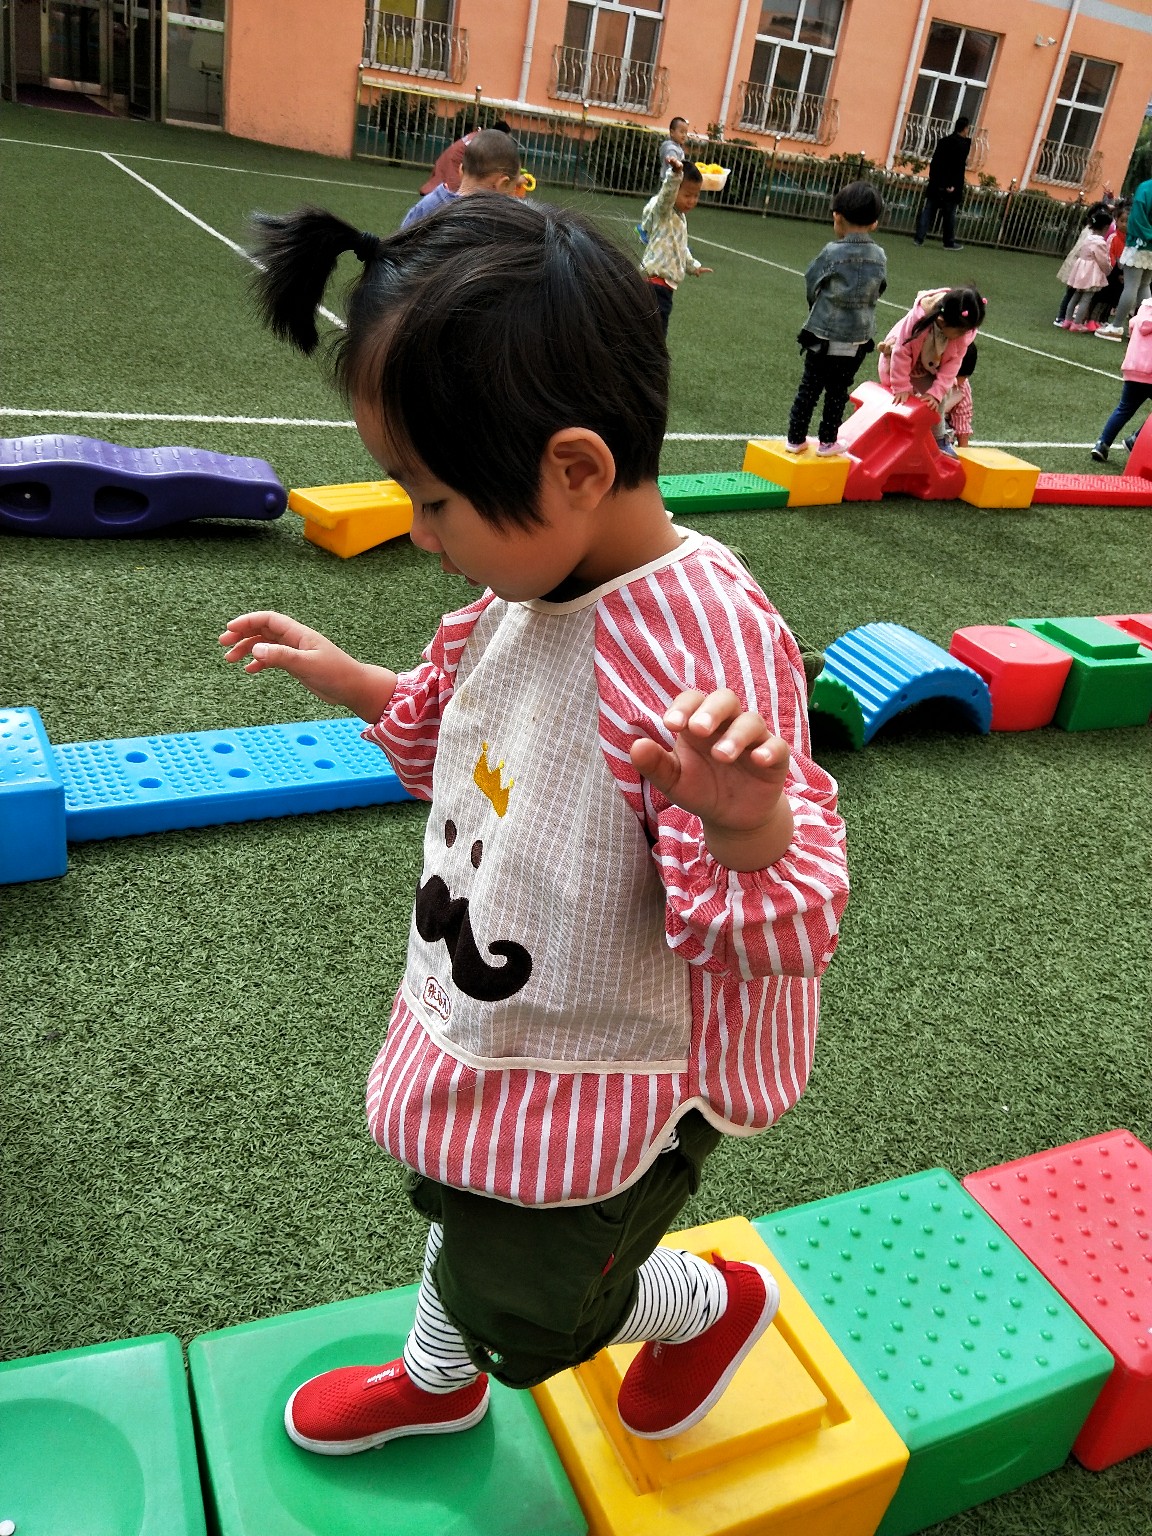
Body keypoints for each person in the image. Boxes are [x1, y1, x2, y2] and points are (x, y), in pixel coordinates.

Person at [223, 195, 849, 1457]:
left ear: (574, 469)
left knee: (533, 1304)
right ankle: (436, 1378)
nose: (420, 534)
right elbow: (461, 733)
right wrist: (354, 679)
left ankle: (710, 1305)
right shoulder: (522, 594)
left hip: (620, 1069)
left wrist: (744, 823)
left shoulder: (700, 649)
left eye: (433, 500)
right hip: (500, 1005)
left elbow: (785, 927)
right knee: (466, 1197)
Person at [784, 180, 887, 456]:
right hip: (858, 337)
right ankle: (828, 441)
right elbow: (880, 287)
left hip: (823, 334)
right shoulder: (879, 255)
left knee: (810, 386)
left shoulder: (832, 252)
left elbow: (812, 280)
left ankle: (795, 438)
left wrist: (815, 306)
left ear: (837, 217)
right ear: (874, 223)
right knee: (838, 390)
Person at [877, 286, 986, 456]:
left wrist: (936, 392)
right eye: (960, 331)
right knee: (899, 399)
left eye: (967, 331)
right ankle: (886, 434)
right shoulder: (918, 319)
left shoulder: (962, 334)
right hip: (897, 363)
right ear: (942, 321)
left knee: (938, 399)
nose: (963, 335)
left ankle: (939, 439)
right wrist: (901, 386)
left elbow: (953, 365)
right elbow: (901, 351)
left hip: (925, 368)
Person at [639, 158, 712, 336]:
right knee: (656, 333)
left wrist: (693, 266)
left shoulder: (680, 217)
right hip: (656, 285)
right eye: (687, 195)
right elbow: (666, 195)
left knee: (648, 330)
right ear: (675, 191)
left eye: (696, 196)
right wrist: (675, 174)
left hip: (663, 287)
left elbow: (681, 247)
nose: (692, 201)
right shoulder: (664, 211)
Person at [400, 129, 523, 229]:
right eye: (512, 190)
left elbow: (399, 244)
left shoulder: (427, 206)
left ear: (460, 170)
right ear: (502, 184)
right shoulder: (492, 224)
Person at [1091, 295, 1152, 460]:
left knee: (1124, 408)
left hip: (1133, 368)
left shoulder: (1143, 310)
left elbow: (1132, 328)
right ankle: (1135, 439)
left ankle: (1102, 444)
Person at [1096, 177, 1152, 340]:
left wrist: (1144, 236)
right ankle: (1146, 325)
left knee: (1131, 286)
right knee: (1144, 285)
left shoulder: (1146, 188)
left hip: (1139, 243)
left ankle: (1117, 326)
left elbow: (1137, 219)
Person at [1053, 199, 1115, 326]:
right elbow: (1101, 259)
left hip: (1078, 265)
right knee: (1081, 297)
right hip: (1086, 269)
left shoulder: (1088, 232)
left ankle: (1066, 319)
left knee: (1074, 294)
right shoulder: (1098, 240)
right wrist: (1108, 269)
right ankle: (1070, 320)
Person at [913, 117, 971, 250]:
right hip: (950, 185)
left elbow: (936, 163)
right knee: (949, 214)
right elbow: (956, 167)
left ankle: (919, 238)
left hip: (936, 182)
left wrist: (935, 180)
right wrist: (951, 184)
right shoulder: (961, 145)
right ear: (965, 128)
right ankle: (949, 242)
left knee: (929, 210)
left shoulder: (944, 141)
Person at [419, 119, 513, 196]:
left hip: (450, 160)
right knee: (453, 195)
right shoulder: (485, 142)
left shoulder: (481, 136)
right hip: (454, 163)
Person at [943, 341, 977, 447]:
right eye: (953, 376)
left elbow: (962, 420)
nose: (955, 382)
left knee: (946, 432)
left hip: (937, 425)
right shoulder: (924, 374)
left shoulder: (962, 389)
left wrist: (964, 451)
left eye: (962, 378)